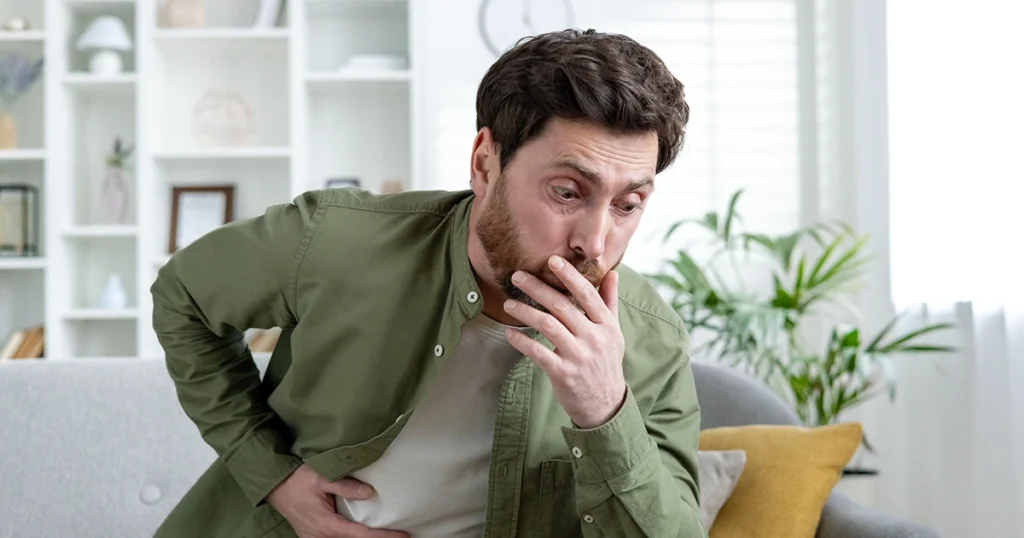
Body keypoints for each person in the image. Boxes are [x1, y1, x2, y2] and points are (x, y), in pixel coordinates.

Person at [151, 28, 706, 538]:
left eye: (627, 204)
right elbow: (183, 294)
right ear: (485, 163)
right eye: (567, 192)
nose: (596, 240)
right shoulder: (338, 241)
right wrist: (274, 477)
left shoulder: (651, 339)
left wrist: (605, 410)